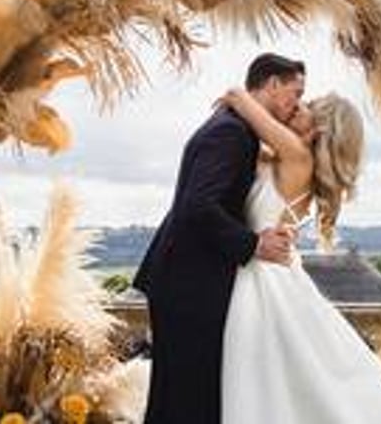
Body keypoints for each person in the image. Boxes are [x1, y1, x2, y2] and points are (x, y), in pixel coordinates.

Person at [217, 87, 381, 424]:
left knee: (257, 379)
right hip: (273, 270)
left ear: (320, 129)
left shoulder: (297, 155)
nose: (296, 107)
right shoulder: (294, 161)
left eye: (307, 106)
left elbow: (239, 100)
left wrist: (242, 99)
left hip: (260, 277)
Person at [131, 53, 307, 424]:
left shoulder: (237, 127)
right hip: (188, 282)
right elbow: (198, 207)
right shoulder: (231, 133)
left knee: (180, 393)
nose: (298, 103)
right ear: (272, 84)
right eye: (295, 92)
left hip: (186, 277)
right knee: (186, 395)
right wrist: (254, 244)